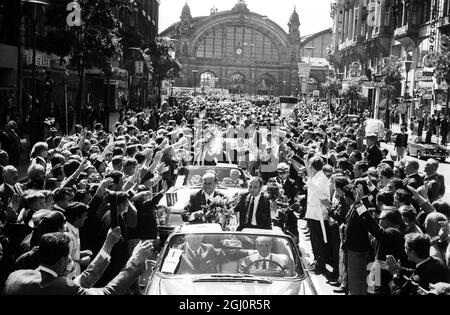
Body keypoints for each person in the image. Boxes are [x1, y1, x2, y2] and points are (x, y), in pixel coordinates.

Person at [4, 229, 155, 295]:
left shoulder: (15, 276)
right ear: (63, 260)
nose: (71, 260)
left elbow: (85, 279)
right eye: (69, 257)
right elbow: (107, 293)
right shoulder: (62, 287)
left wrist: (108, 244)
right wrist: (134, 263)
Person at [303, 155, 330, 275]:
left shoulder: (321, 178)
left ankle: (320, 265)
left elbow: (317, 190)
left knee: (318, 241)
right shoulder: (317, 176)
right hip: (313, 214)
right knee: (315, 241)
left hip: (317, 214)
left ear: (313, 167)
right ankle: (318, 261)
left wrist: (306, 180)